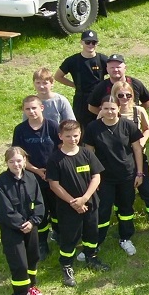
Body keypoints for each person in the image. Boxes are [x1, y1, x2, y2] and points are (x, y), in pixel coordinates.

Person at [47, 120, 106, 286]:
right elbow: (54, 185)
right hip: (68, 207)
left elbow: (96, 176)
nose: (72, 139)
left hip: (90, 203)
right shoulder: (55, 159)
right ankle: (66, 265)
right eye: (68, 136)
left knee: (91, 232)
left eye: (75, 135)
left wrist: (84, 198)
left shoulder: (87, 153)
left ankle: (91, 257)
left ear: (80, 134)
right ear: (60, 136)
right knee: (69, 237)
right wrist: (74, 202)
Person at [84, 95, 145, 257]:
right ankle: (96, 242)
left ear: (118, 109)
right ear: (101, 109)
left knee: (126, 208)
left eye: (112, 108)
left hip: (127, 175)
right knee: (103, 210)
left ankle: (125, 238)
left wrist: (139, 173)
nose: (109, 112)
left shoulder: (128, 125)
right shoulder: (93, 127)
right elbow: (89, 153)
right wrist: (92, 177)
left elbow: (137, 149)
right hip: (104, 178)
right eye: (106, 108)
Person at [0, 147, 45, 295]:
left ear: (25, 160)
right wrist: (21, 224)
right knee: (19, 263)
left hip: (31, 226)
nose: (16, 164)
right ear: (6, 163)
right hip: (12, 230)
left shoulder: (31, 178)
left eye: (19, 160)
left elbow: (39, 202)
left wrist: (33, 221)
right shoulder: (0, 183)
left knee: (33, 257)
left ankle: (31, 286)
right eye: (11, 161)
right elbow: (4, 210)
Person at [113, 80, 149, 242]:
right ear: (114, 96)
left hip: (139, 158)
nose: (124, 98)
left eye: (128, 95)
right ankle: (124, 227)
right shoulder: (109, 111)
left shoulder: (138, 111)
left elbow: (147, 128)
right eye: (120, 95)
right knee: (122, 197)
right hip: (118, 161)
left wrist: (142, 141)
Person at [12, 95, 60, 259]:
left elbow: (62, 149)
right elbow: (19, 157)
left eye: (34, 108)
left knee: (57, 209)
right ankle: (42, 243)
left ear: (42, 108)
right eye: (28, 109)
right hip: (32, 178)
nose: (31, 111)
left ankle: (59, 234)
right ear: (24, 110)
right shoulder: (20, 130)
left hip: (54, 176)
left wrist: (52, 170)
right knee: (40, 211)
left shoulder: (52, 126)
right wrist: (37, 171)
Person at [54, 30, 108, 128]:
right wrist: (74, 85)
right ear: (81, 42)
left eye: (94, 42)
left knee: (101, 125)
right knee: (81, 127)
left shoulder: (103, 59)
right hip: (81, 99)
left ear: (97, 43)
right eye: (87, 42)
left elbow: (115, 73)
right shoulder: (72, 61)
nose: (91, 45)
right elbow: (58, 76)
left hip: (98, 98)